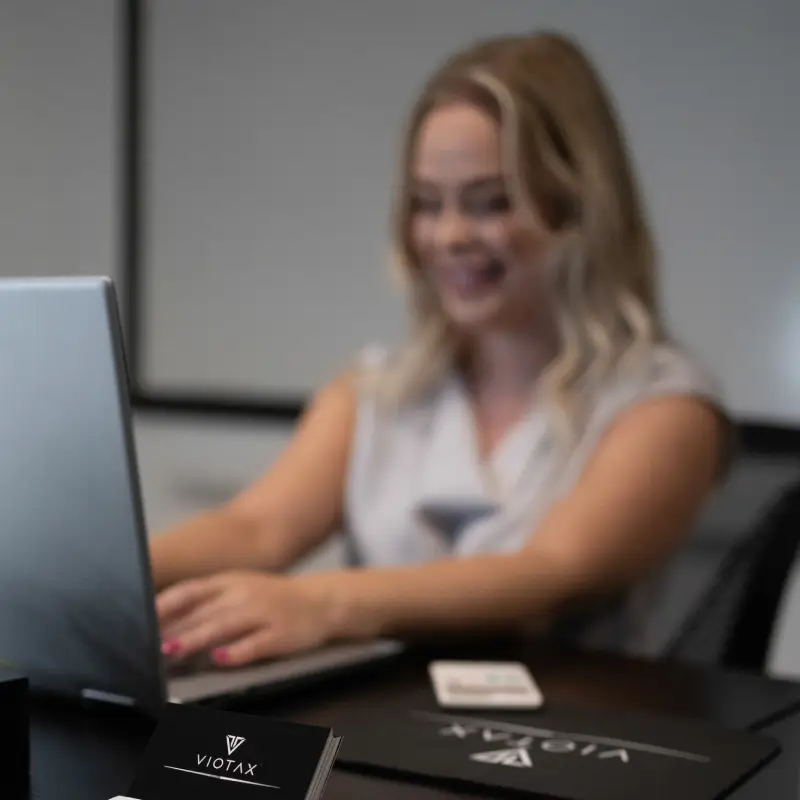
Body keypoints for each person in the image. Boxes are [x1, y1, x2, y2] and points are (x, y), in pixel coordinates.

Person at [151, 31, 730, 669]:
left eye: (490, 203)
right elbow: (256, 530)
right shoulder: (375, 391)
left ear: (577, 207)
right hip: (373, 728)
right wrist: (103, 573)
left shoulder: (664, 408)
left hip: (563, 746)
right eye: (427, 204)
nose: (449, 235)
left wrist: (322, 604)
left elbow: (550, 572)